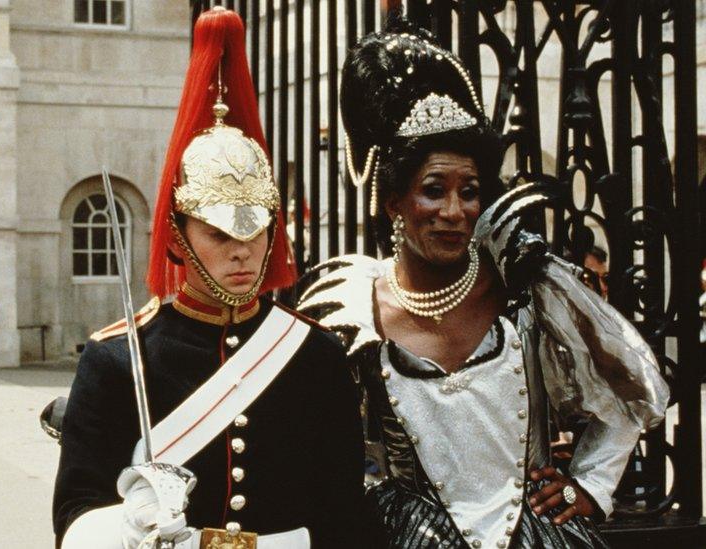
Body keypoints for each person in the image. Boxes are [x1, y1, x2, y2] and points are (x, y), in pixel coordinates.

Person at [297, 14, 669, 549]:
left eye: (468, 191)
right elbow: (321, 444)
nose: (453, 210)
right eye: (433, 189)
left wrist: (589, 484)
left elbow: (628, 385)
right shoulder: (353, 308)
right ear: (394, 201)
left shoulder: (527, 289)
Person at [50, 8, 364, 549]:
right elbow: (74, 513)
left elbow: (343, 512)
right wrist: (129, 525)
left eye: (256, 230)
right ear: (177, 237)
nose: (243, 252)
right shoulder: (117, 359)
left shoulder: (315, 355)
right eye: (219, 233)